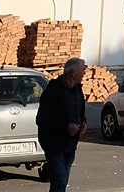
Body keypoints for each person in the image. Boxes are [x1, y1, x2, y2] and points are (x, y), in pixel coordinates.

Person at [35, 57, 87, 192]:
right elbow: (41, 119)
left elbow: (80, 111)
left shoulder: (77, 89)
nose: (85, 73)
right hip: (54, 143)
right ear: (74, 73)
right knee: (60, 181)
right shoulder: (54, 90)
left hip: (70, 143)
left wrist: (83, 123)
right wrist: (66, 126)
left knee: (61, 182)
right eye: (83, 70)